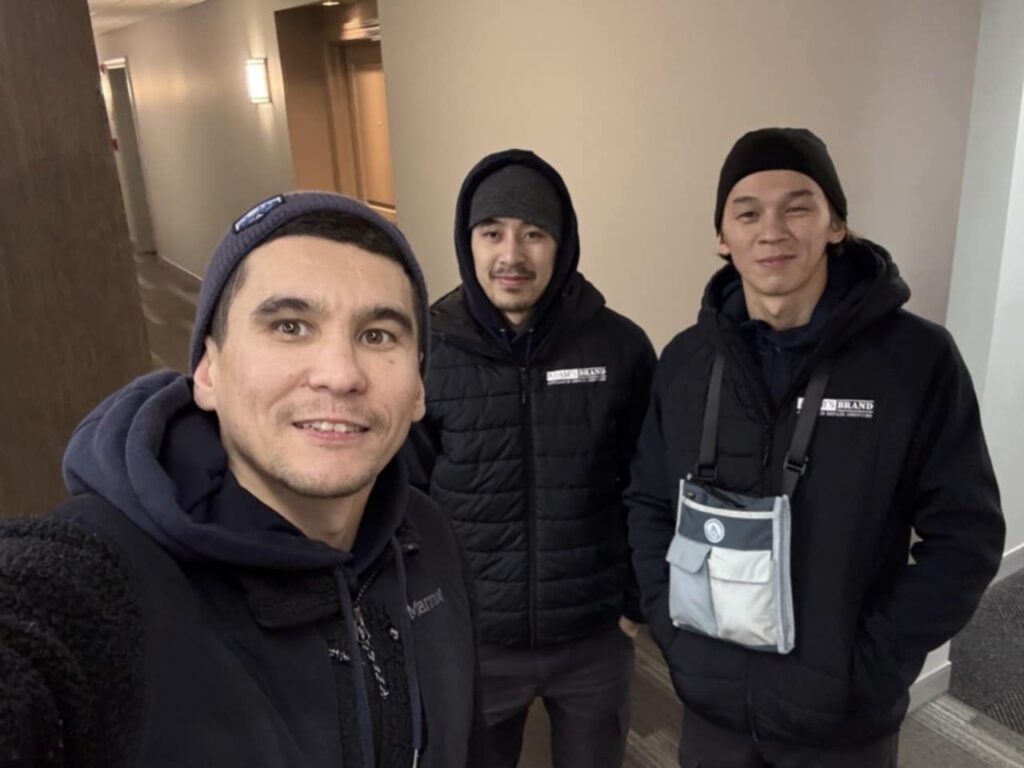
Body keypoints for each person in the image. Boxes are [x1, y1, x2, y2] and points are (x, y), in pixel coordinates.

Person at [0, 192, 482, 767]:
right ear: (207, 371)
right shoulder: (102, 575)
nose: (340, 374)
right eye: (290, 326)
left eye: (378, 335)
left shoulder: (428, 534)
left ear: (419, 388)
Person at [626, 127, 1005, 767]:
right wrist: (670, 629)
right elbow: (647, 504)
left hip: (842, 724)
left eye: (797, 207)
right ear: (722, 237)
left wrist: (869, 666)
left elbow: (965, 538)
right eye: (748, 213)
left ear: (836, 224)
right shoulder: (686, 361)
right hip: (711, 709)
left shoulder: (915, 361)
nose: (772, 231)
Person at [403, 149, 656, 767]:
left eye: (533, 234)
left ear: (562, 244)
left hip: (594, 639)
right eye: (492, 233)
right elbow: (406, 498)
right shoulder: (427, 352)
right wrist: (428, 613)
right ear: (468, 242)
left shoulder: (620, 348)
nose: (511, 256)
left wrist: (633, 604)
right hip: (476, 641)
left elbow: (649, 485)